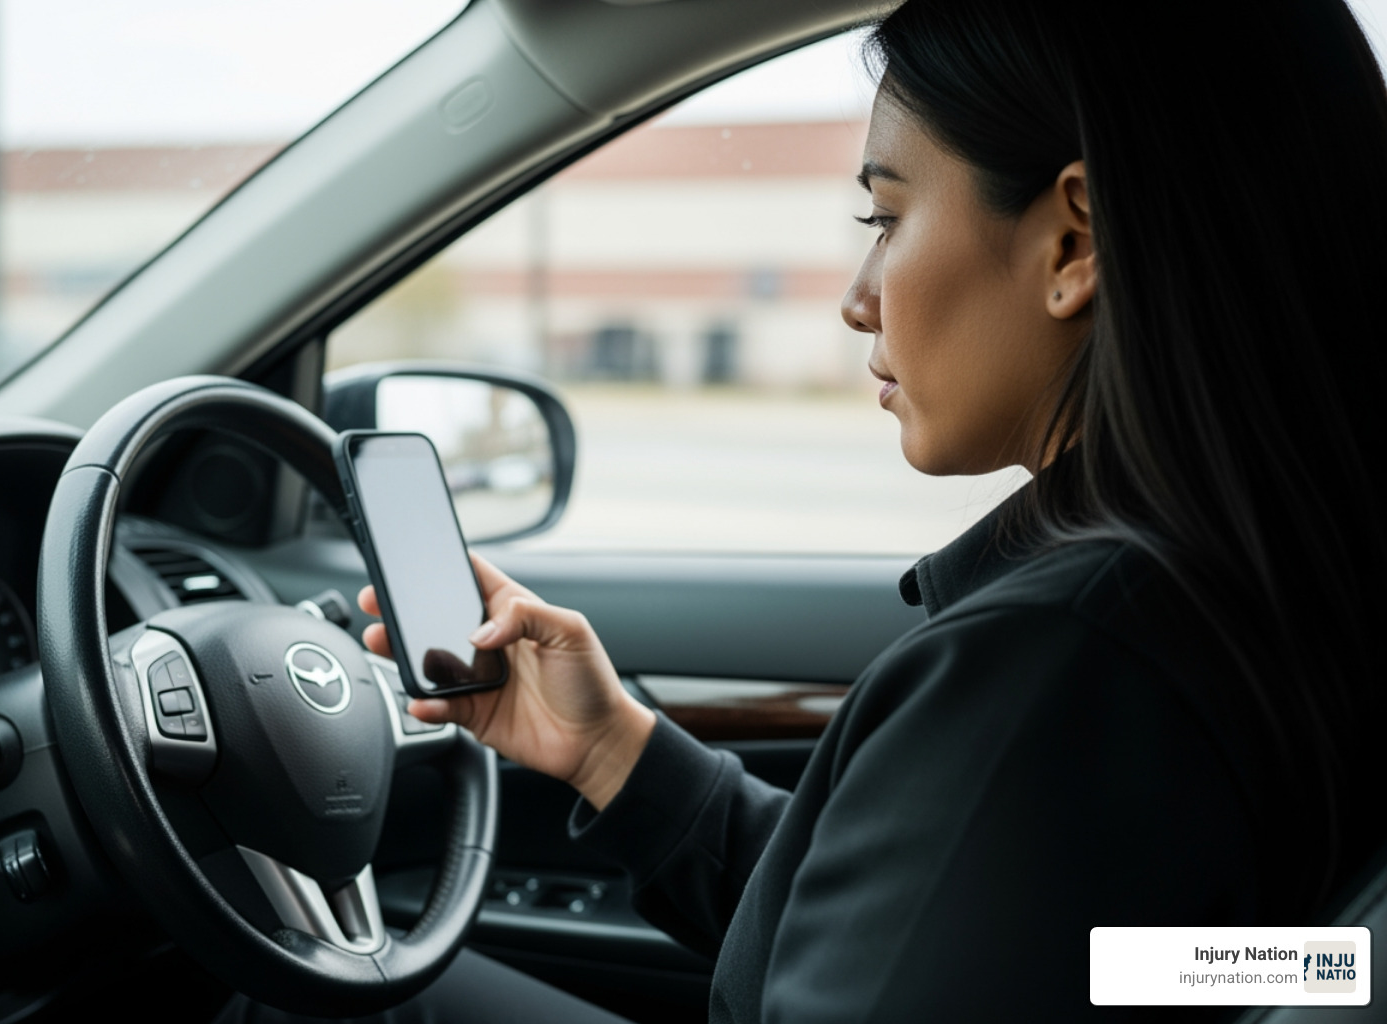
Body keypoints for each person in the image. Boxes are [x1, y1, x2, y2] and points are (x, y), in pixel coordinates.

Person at [227, 0, 1387, 1019]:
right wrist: (609, 747)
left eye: (885, 219)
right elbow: (1073, 955)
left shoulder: (1059, 670)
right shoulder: (1270, 593)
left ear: (1073, 241)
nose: (856, 299)